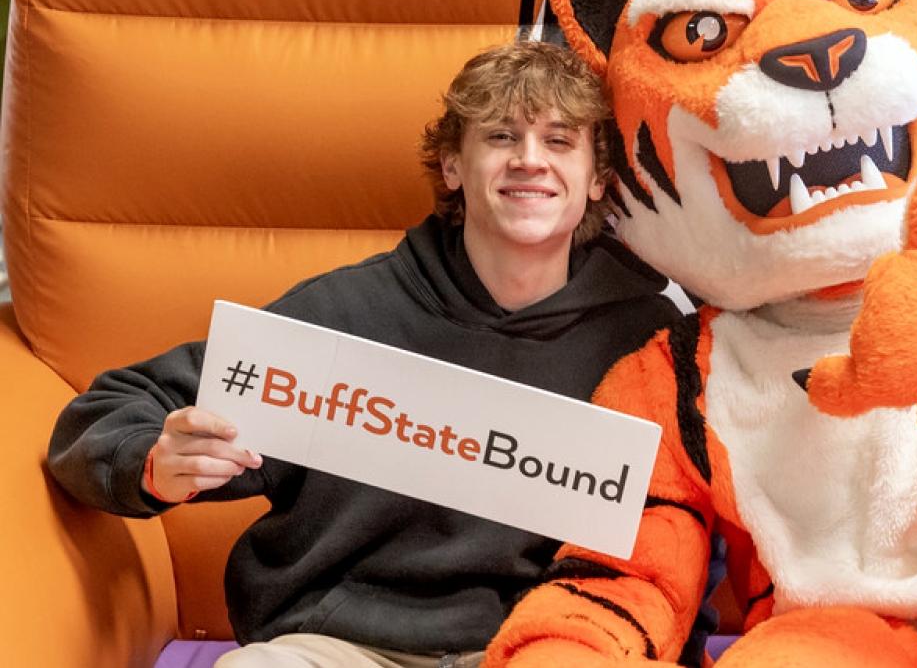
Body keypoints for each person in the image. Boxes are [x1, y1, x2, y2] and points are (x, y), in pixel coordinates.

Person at [47, 40, 682, 668]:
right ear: (454, 166)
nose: (529, 161)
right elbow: (104, 412)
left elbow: (691, 528)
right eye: (500, 137)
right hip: (340, 645)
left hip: (548, 648)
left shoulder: (646, 339)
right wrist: (153, 463)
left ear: (599, 179)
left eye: (560, 141)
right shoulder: (344, 315)